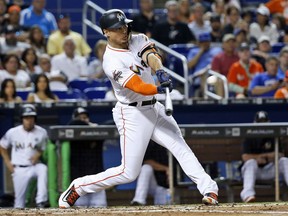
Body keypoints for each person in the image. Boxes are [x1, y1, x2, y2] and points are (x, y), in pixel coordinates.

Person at [58, 9, 218, 208]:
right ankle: (78, 187)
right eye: (117, 28)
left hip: (154, 107)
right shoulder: (111, 61)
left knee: (180, 146)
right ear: (106, 32)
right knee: (128, 172)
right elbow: (138, 87)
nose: (124, 31)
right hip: (132, 113)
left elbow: (151, 54)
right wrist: (159, 86)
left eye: (124, 25)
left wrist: (159, 71)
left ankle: (209, 189)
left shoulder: (137, 37)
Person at [0, 104, 49, 208]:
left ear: (35, 118)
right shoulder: (12, 132)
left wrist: (38, 154)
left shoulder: (42, 132)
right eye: (26, 118)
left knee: (43, 169)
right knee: (19, 202)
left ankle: (41, 201)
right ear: (22, 119)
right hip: (19, 168)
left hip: (34, 166)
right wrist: (8, 163)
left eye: (31, 117)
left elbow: (43, 147)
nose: (29, 120)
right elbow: (2, 146)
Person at [240, 111, 288, 202]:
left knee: (284, 161)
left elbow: (281, 155)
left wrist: (264, 157)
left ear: (268, 122)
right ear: (255, 123)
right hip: (255, 171)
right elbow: (245, 157)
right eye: (260, 122)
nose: (262, 124)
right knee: (251, 162)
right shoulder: (249, 136)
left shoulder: (274, 135)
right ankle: (247, 195)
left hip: (270, 170)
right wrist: (258, 158)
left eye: (264, 122)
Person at [67, 107, 107, 207]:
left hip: (96, 179)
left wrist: (92, 128)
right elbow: (73, 124)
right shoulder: (70, 132)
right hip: (78, 181)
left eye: (85, 117)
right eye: (80, 118)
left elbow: (107, 127)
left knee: (101, 210)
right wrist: (86, 126)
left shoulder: (96, 130)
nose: (83, 120)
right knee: (79, 210)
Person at [131, 140, 170, 205]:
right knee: (146, 168)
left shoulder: (174, 145)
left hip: (166, 188)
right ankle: (139, 201)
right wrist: (166, 169)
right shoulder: (152, 143)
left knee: (165, 207)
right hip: (154, 184)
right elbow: (147, 161)